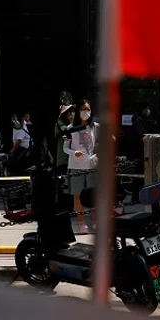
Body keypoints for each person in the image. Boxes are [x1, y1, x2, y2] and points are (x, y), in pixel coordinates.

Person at [64, 100, 98, 234]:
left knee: (92, 195)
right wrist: (74, 153)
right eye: (83, 109)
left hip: (91, 165)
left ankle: (94, 222)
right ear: (78, 112)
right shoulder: (70, 128)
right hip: (75, 165)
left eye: (88, 109)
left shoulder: (95, 126)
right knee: (77, 195)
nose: (86, 112)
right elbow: (65, 148)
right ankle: (82, 223)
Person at [50, 105, 76, 174]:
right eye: (70, 112)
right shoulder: (60, 122)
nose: (72, 113)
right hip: (63, 157)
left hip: (72, 157)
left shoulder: (67, 122)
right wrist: (72, 121)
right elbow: (67, 130)